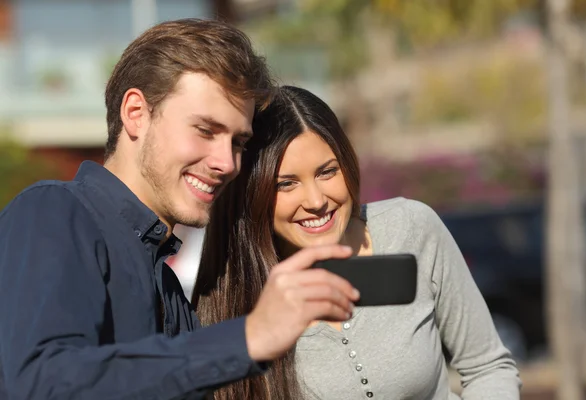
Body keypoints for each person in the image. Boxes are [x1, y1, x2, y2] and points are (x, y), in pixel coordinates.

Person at [0, 21, 360, 400]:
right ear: (136, 112)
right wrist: (247, 339)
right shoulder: (55, 212)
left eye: (238, 141)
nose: (227, 162)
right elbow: (41, 383)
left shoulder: (169, 286)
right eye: (205, 130)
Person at [193, 85, 522, 399]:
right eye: (287, 184)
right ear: (252, 194)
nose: (316, 200)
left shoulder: (410, 228)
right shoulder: (232, 291)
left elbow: (488, 365)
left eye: (327, 172)